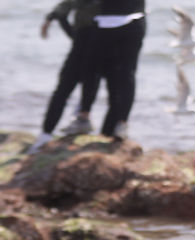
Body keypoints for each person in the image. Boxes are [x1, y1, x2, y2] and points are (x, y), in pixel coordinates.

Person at [29, 0, 102, 154]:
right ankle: (47, 133)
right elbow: (65, 7)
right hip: (89, 39)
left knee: (78, 84)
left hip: (91, 40)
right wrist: (52, 18)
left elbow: (64, 8)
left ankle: (51, 132)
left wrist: (52, 19)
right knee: (71, 86)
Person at [89, 0, 147, 140]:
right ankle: (112, 129)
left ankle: (120, 125)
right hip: (109, 22)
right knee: (115, 75)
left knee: (123, 74)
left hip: (127, 20)